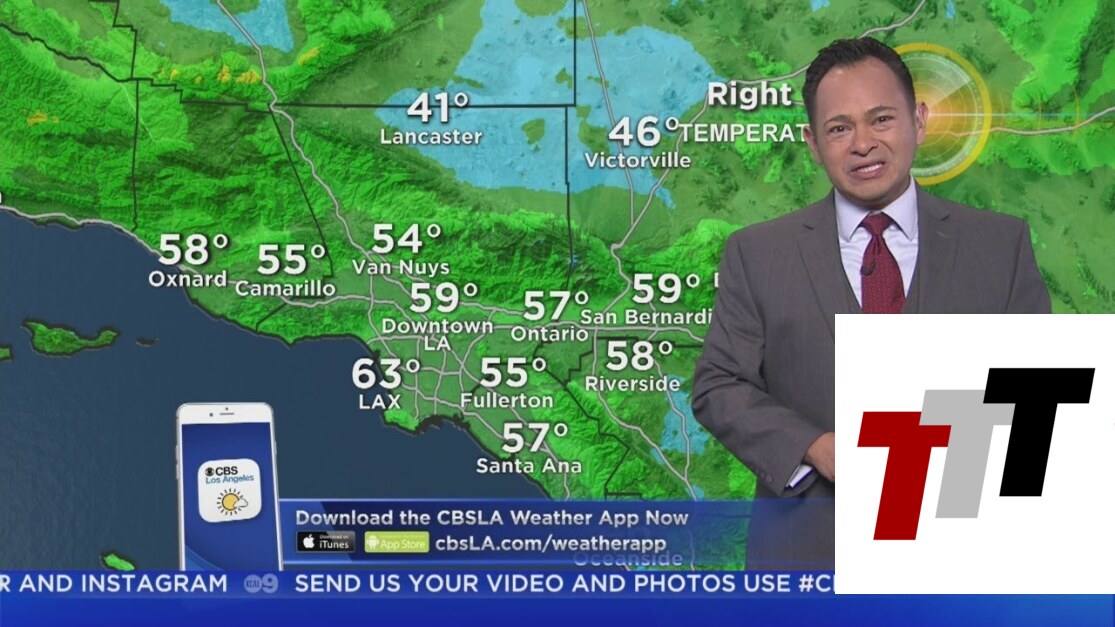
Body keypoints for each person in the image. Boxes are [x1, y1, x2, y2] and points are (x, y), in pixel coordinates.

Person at [691, 37, 1051, 570]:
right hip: (810, 560)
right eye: (840, 129)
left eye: (882, 119)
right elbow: (718, 384)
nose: (863, 143)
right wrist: (815, 447)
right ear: (814, 143)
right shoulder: (759, 254)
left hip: (963, 563)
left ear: (919, 121)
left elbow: (1037, 392)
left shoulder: (1000, 246)